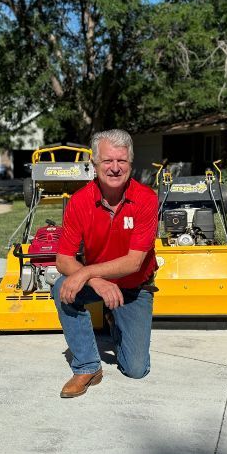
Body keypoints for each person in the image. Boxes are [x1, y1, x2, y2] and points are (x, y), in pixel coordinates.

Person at [52, 129, 158, 398]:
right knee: (62, 287)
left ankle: (115, 321)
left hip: (135, 287)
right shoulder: (78, 202)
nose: (114, 168)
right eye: (107, 161)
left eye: (122, 161)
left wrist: (87, 271)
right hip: (99, 284)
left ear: (130, 164)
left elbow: (135, 263)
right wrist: (96, 280)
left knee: (136, 369)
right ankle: (87, 366)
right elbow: (63, 259)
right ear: (95, 165)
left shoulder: (146, 199)